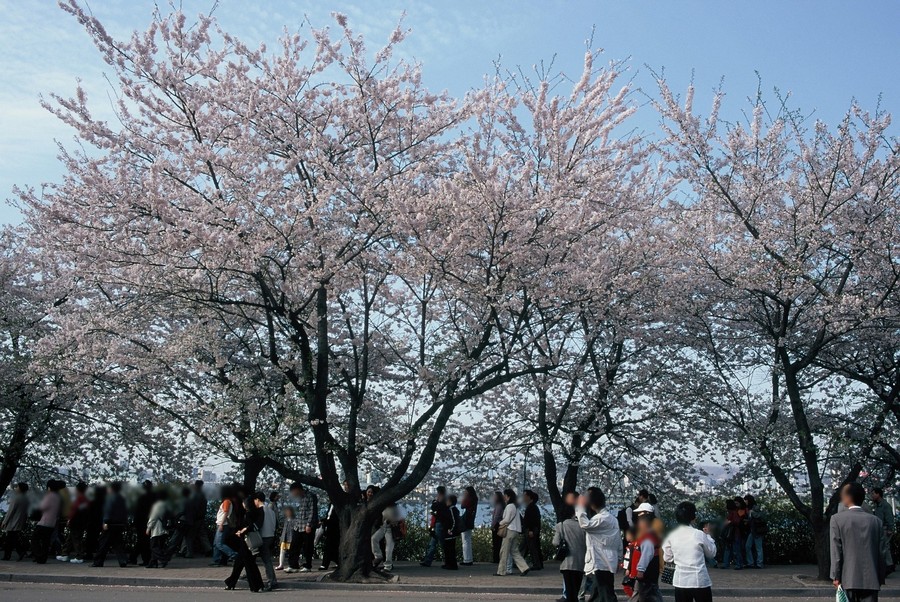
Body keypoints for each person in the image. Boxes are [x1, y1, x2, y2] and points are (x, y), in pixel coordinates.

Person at [831, 483, 887, 602]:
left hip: (848, 578)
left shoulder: (837, 520)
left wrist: (836, 576)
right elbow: (882, 552)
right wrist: (880, 577)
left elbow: (836, 551)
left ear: (848, 497)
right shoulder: (876, 521)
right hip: (871, 579)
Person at [662, 501, 717, 602]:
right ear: (693, 517)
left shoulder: (672, 536)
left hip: (680, 580)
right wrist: (708, 536)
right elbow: (711, 553)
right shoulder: (699, 534)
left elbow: (667, 558)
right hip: (699, 579)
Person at [576, 487, 620, 602]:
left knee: (605, 594)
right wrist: (619, 558)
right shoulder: (612, 519)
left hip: (601, 560)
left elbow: (585, 525)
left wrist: (580, 506)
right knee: (598, 593)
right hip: (608, 560)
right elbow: (618, 542)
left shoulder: (601, 519)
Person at [224, 494, 264, 593]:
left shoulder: (249, 514)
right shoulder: (257, 512)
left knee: (248, 564)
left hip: (246, 542)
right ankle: (231, 583)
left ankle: (255, 585)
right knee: (240, 563)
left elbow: (249, 526)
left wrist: (242, 531)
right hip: (247, 541)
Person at [91, 481, 128, 568]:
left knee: (103, 543)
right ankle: (123, 560)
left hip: (111, 523)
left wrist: (105, 522)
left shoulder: (110, 498)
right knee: (118, 543)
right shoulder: (122, 498)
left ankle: (98, 562)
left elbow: (107, 510)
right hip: (120, 523)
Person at [554, 503, 586, 602]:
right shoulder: (581, 526)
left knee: (569, 590)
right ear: (573, 513)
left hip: (567, 562)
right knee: (576, 589)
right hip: (580, 561)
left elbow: (555, 542)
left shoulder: (561, 525)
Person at [628, 511, 663, 602]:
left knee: (647, 594)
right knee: (651, 592)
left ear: (645, 523)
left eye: (640, 522)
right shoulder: (651, 536)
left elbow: (647, 555)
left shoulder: (648, 538)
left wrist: (641, 569)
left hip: (647, 572)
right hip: (651, 571)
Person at [496, 488, 530, 576]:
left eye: (505, 495)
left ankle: (501, 571)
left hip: (509, 531)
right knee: (514, 551)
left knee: (504, 552)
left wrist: (500, 523)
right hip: (516, 531)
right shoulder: (515, 507)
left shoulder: (509, 506)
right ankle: (524, 567)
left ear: (508, 497)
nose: (504, 497)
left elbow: (507, 519)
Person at [285, 482, 317, 573]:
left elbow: (312, 511)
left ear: (298, 489)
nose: (294, 494)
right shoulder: (299, 498)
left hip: (307, 525)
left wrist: (309, 524)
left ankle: (307, 565)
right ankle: (293, 565)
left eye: (294, 492)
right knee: (294, 545)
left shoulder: (310, 496)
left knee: (308, 546)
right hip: (298, 525)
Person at [57, 481, 90, 563]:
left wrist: (69, 519)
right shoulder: (86, 499)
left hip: (76, 521)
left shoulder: (79, 498)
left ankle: (79, 557)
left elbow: (74, 511)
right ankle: (65, 554)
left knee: (76, 539)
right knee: (71, 538)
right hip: (82, 521)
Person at [32, 480, 62, 564]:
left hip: (44, 522)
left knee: (35, 539)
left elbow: (42, 507)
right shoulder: (58, 497)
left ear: (49, 487)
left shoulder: (49, 496)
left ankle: (39, 555)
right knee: (46, 541)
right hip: (52, 522)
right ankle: (43, 558)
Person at [421, 486, 449, 567]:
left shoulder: (441, 501)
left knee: (440, 543)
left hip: (439, 523)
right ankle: (428, 561)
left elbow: (435, 507)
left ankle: (447, 561)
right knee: (434, 543)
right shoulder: (444, 500)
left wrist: (435, 502)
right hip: (439, 523)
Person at [2, 482, 30, 561]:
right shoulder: (26, 499)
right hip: (20, 521)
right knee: (12, 538)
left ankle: (12, 554)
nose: (16, 488)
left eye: (17, 487)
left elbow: (10, 511)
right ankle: (16, 552)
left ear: (20, 488)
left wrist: (4, 522)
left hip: (13, 521)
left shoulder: (16, 498)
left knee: (10, 539)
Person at [212, 485, 238, 566]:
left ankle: (234, 555)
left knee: (219, 544)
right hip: (222, 523)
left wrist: (222, 524)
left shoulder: (227, 501)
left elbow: (226, 513)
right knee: (216, 544)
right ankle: (217, 560)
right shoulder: (228, 501)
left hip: (222, 524)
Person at [871, 487, 895, 575]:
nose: (872, 496)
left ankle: (888, 565)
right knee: (883, 548)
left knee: (885, 548)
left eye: (873, 493)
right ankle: (887, 565)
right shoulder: (877, 505)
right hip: (880, 529)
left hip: (885, 529)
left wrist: (890, 529)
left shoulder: (885, 505)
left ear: (878, 494)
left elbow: (889, 517)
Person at [131, 480, 154, 566]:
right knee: (145, 541)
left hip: (141, 521)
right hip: (149, 520)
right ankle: (135, 557)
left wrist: (135, 522)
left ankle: (143, 559)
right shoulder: (153, 496)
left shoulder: (140, 496)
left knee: (142, 540)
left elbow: (137, 510)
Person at [257, 492, 278, 590]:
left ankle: (272, 581)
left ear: (257, 499)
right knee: (266, 559)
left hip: (263, 536)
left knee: (266, 560)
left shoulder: (261, 510)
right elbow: (275, 523)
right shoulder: (270, 510)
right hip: (270, 535)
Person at [146, 489, 170, 568]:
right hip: (165, 528)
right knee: (159, 546)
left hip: (157, 528)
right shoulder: (167, 504)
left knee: (154, 546)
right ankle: (152, 562)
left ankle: (163, 559)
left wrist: (148, 527)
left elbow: (153, 517)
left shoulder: (157, 505)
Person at [372, 499, 399, 571]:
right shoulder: (384, 506)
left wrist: (390, 520)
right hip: (383, 527)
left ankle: (388, 566)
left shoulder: (394, 507)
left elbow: (397, 519)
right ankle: (378, 556)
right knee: (374, 539)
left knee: (389, 548)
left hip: (391, 529)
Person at [720, 497, 745, 569]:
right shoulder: (735, 512)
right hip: (734, 533)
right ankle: (737, 564)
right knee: (735, 548)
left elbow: (736, 521)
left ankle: (729, 564)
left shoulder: (733, 513)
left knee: (733, 549)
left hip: (733, 533)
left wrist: (729, 522)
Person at [522, 489, 543, 570]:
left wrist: (530, 530)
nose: (523, 498)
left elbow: (532, 520)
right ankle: (538, 563)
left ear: (529, 497)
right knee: (533, 546)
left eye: (525, 496)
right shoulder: (532, 507)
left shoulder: (532, 507)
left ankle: (537, 564)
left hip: (531, 530)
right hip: (532, 529)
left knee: (533, 547)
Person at [743, 494, 765, 569]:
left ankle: (758, 563)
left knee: (757, 547)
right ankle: (753, 563)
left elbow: (757, 517)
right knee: (749, 546)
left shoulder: (753, 509)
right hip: (754, 530)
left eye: (746, 500)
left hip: (756, 530)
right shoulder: (751, 508)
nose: (745, 501)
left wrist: (750, 514)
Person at [458, 486, 478, 566]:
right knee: (468, 540)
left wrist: (464, 497)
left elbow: (462, 505)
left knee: (465, 541)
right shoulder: (474, 499)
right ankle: (469, 559)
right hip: (470, 521)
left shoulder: (469, 499)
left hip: (466, 521)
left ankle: (467, 559)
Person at [441, 494, 460, 570]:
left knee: (450, 549)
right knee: (447, 549)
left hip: (450, 533)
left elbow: (454, 521)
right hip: (448, 532)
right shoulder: (450, 509)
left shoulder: (452, 510)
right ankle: (448, 563)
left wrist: (451, 530)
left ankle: (452, 565)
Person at [276, 505, 297, 570]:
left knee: (292, 552)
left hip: (291, 537)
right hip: (284, 537)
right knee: (282, 551)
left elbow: (295, 528)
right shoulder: (285, 519)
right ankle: (281, 564)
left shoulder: (294, 519)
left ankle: (292, 564)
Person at [490, 490, 504, 564]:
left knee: (496, 543)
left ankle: (496, 559)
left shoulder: (499, 506)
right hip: (499, 524)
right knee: (498, 542)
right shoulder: (500, 505)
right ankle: (497, 558)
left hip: (497, 525)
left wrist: (492, 525)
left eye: (495, 496)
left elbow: (496, 517)